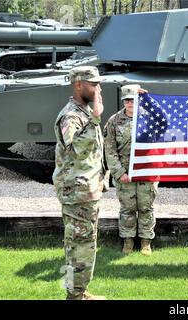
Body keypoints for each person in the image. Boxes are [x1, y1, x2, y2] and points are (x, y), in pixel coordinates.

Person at [53, 66, 107, 300]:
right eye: (93, 84)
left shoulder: (83, 112)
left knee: (82, 244)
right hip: (77, 193)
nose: (98, 89)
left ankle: (79, 292)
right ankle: (74, 296)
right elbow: (74, 149)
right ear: (78, 85)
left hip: (86, 191)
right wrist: (95, 118)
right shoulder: (71, 115)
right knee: (79, 246)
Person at [104, 84, 158, 255]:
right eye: (127, 100)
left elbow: (164, 119)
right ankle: (127, 242)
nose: (130, 103)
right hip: (125, 174)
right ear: (123, 101)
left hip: (145, 172)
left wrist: (148, 99)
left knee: (145, 208)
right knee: (127, 209)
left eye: (133, 99)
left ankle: (145, 242)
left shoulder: (149, 118)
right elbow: (110, 150)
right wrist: (120, 173)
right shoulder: (114, 121)